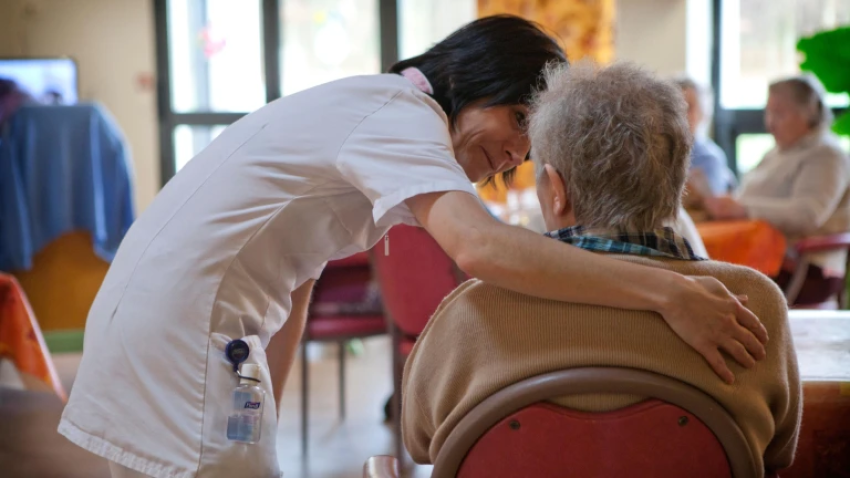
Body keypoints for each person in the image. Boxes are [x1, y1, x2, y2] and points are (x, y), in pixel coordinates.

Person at [58, 16, 766, 478]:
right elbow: (481, 248)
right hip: (185, 332)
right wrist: (670, 288)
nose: (515, 150)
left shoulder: (376, 114)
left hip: (185, 321)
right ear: (478, 78)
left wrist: (261, 408)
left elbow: (300, 275)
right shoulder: (396, 114)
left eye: (528, 148)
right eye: (520, 118)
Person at [402, 62, 800, 473]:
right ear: (677, 184)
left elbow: (419, 441)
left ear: (555, 191)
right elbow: (778, 453)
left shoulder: (471, 311)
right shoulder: (753, 305)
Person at [704, 75, 850, 305]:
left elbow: (808, 214)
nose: (770, 122)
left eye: (780, 113)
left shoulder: (826, 154)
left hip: (802, 265)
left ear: (809, 114)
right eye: (768, 112)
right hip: (759, 253)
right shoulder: (777, 152)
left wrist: (744, 209)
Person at [674, 76, 737, 197]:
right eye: (676, 107)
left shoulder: (709, 158)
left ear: (703, 113)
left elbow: (714, 203)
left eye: (689, 108)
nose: (681, 114)